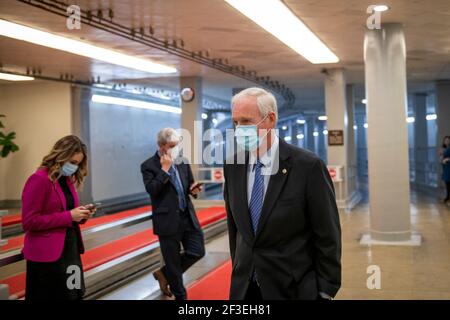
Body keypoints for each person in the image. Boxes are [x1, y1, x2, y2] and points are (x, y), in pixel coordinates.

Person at [223, 87, 341, 300]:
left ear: (270, 119)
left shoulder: (307, 166)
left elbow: (327, 234)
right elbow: (235, 231)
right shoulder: (233, 165)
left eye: (247, 121)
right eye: (236, 122)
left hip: (292, 289)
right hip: (244, 288)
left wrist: (325, 290)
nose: (240, 129)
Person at [22, 135, 95, 300]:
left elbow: (67, 212)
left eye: (77, 164)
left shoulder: (66, 180)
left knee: (74, 293)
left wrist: (81, 214)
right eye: (72, 162)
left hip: (71, 250)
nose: (74, 167)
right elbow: (29, 222)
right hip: (48, 256)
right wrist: (69, 216)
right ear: (60, 156)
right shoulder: (38, 180)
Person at [141, 128, 205, 300]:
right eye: (172, 146)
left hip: (187, 216)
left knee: (197, 251)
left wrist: (194, 190)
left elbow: (189, 185)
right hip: (167, 221)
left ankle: (163, 274)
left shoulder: (182, 161)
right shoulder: (148, 166)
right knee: (173, 261)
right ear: (161, 146)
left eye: (177, 145)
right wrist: (164, 170)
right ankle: (180, 297)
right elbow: (152, 190)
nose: (176, 149)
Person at [440, 136, 450, 204]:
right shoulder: (444, 149)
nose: (446, 141)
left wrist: (447, 159)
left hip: (449, 167)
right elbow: (441, 158)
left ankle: (448, 198)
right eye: (445, 140)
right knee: (447, 184)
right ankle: (447, 198)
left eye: (448, 140)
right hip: (445, 168)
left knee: (449, 183)